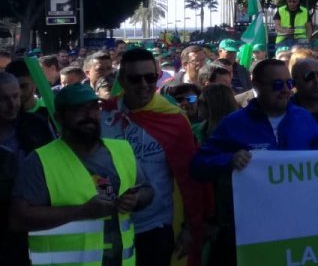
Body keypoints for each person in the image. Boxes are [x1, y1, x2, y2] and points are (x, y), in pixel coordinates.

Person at [190, 60, 318, 264]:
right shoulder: (234, 124)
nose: (286, 90)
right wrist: (228, 160)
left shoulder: (305, 119)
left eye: (289, 83)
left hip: (298, 226)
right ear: (257, 86)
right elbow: (198, 165)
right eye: (278, 85)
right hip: (249, 230)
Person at [12, 84, 154, 266]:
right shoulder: (40, 161)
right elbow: (18, 219)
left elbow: (147, 190)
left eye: (94, 108)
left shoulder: (122, 150)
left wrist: (136, 200)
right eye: (78, 109)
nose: (88, 115)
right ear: (58, 118)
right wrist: (81, 212)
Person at [100, 47, 205, 266]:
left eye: (150, 77)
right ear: (122, 80)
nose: (144, 84)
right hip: (109, 227)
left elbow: (190, 178)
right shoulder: (104, 117)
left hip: (156, 227)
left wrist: (189, 228)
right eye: (135, 79)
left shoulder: (173, 120)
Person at [0, 72, 55, 266]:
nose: (11, 104)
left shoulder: (36, 126)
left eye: (15, 96)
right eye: (4, 98)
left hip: (32, 219)